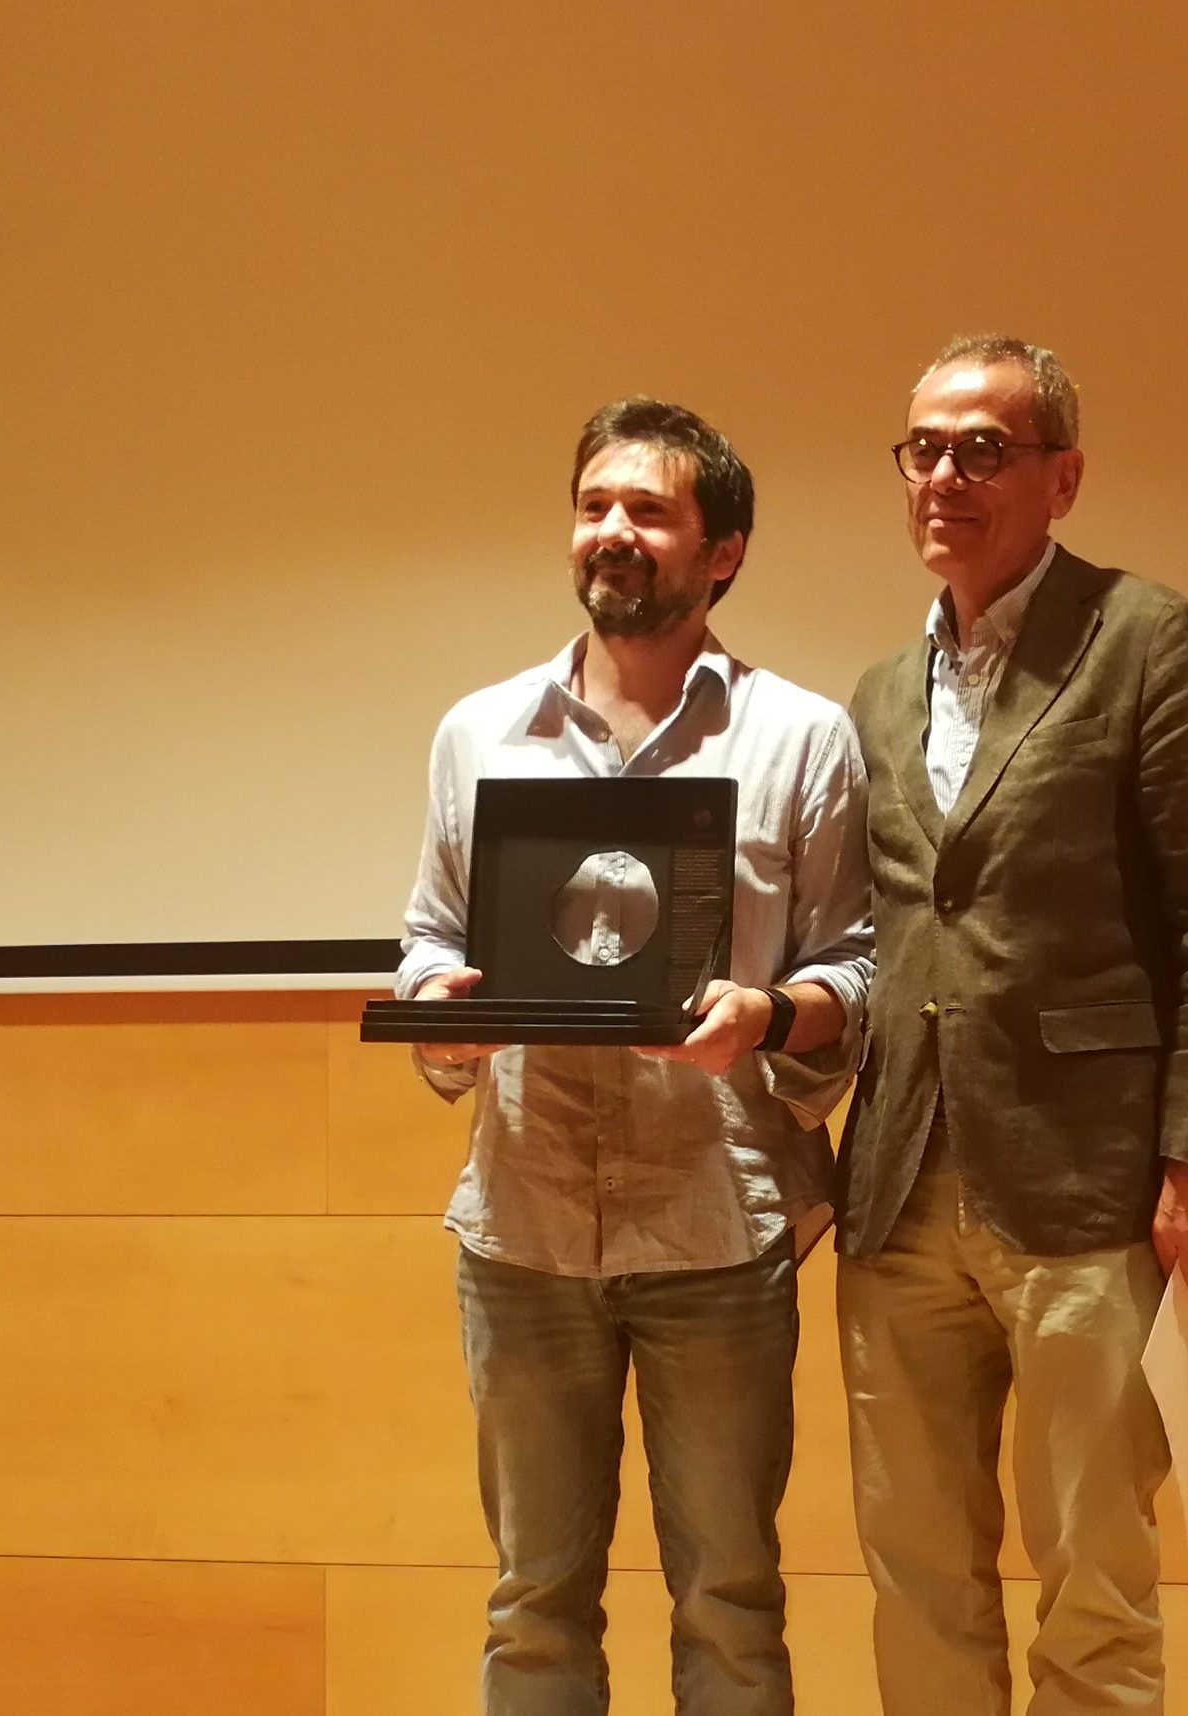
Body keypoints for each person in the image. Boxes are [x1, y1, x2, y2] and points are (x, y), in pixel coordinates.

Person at [397, 397, 873, 1716]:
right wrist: (441, 1004)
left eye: (649, 510)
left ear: (722, 553)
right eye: (594, 504)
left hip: (718, 1231)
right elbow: (430, 938)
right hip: (525, 1228)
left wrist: (769, 1014)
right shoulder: (479, 731)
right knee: (532, 1604)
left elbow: (859, 970)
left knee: (730, 1600)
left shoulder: (801, 737)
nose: (612, 530)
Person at [834, 335, 1188, 1714]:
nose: (945, 477)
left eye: (984, 449)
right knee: (915, 1567)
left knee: (1093, 1572)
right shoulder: (878, 691)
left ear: (1063, 477)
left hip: (1089, 1183)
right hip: (900, 1183)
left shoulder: (1146, 639)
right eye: (924, 449)